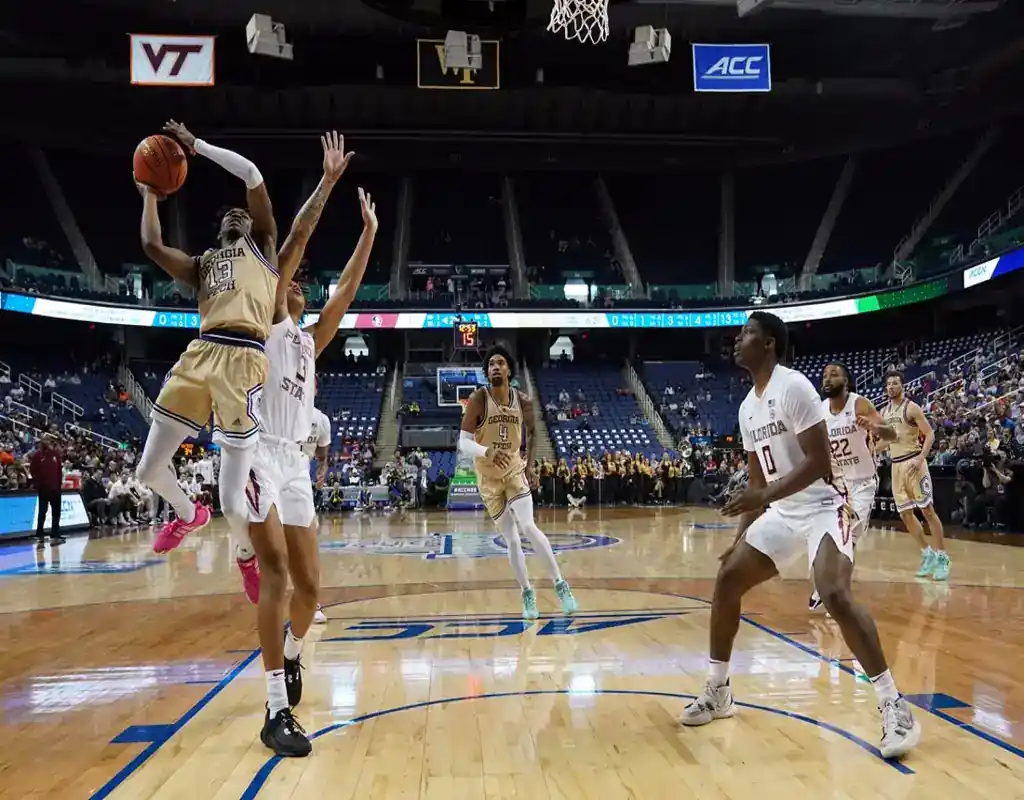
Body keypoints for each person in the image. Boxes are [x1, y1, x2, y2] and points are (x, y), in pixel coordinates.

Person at [680, 311, 920, 761]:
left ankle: (894, 704)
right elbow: (755, 482)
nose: (738, 339)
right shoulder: (747, 407)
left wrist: (763, 496)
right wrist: (740, 538)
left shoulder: (794, 387)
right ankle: (718, 691)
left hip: (828, 506)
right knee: (728, 579)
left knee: (831, 590)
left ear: (769, 343)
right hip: (785, 512)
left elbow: (819, 463)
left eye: (748, 333)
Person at [134, 122, 331, 604]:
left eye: (243, 215)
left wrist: (196, 145)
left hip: (245, 360)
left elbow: (252, 174)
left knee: (230, 498)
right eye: (230, 217)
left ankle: (245, 553)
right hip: (201, 354)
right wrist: (149, 195)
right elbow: (152, 248)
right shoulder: (202, 266)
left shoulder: (265, 250)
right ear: (220, 230)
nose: (238, 216)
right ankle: (185, 514)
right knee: (148, 471)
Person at [248, 178, 375, 758]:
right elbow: (294, 240)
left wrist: (369, 233)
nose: (296, 284)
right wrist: (325, 184)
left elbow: (347, 289)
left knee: (311, 590)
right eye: (290, 282)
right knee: (275, 573)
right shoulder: (269, 322)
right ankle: (275, 710)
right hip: (258, 454)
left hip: (296, 466)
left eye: (300, 285)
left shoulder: (308, 339)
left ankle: (292, 656)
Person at [457, 344, 577, 620]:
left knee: (528, 526)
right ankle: (527, 593)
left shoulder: (523, 400)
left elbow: (534, 433)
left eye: (500, 363)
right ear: (487, 373)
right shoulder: (477, 399)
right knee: (511, 540)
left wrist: (531, 465)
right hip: (487, 477)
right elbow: (462, 442)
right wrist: (487, 451)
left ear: (509, 370)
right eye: (490, 364)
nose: (495, 367)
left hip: (512, 469)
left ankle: (560, 584)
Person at [808, 362, 896, 611]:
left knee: (848, 537)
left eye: (833, 374)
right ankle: (827, 586)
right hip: (835, 483)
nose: (827, 378)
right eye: (824, 375)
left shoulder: (859, 403)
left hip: (862, 483)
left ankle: (836, 593)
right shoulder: (820, 410)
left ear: (846, 380)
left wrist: (874, 427)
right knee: (825, 535)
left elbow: (892, 435)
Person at [881, 371, 949, 580]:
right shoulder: (883, 412)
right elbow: (887, 442)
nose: (891, 386)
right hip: (896, 466)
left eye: (895, 383)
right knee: (905, 515)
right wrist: (870, 449)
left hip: (914, 463)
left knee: (927, 511)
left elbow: (929, 434)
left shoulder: (911, 407)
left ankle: (942, 556)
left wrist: (920, 458)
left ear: (902, 385)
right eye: (888, 384)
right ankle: (927, 553)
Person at [300, 396, 332, 626]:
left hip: (298, 481)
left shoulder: (320, 419)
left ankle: (311, 603)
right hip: (267, 476)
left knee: (306, 542)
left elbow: (321, 456)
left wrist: (321, 468)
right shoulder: (275, 407)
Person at [29, 434, 65, 545]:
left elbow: (59, 471)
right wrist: (38, 484)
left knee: (56, 513)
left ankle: (55, 534)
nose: (47, 441)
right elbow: (32, 470)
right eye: (45, 439)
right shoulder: (37, 455)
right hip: (44, 489)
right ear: (41, 441)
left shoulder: (55, 455)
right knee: (42, 512)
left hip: (56, 489)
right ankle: (39, 534)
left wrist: (59, 485)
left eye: (48, 439)